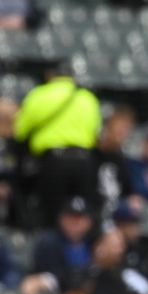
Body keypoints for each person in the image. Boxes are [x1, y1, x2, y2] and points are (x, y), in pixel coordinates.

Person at [13, 63, 102, 227]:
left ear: (50, 76)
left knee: (53, 216)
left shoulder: (39, 94)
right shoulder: (88, 98)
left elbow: (20, 131)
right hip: (84, 162)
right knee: (84, 218)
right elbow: (96, 133)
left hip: (54, 162)